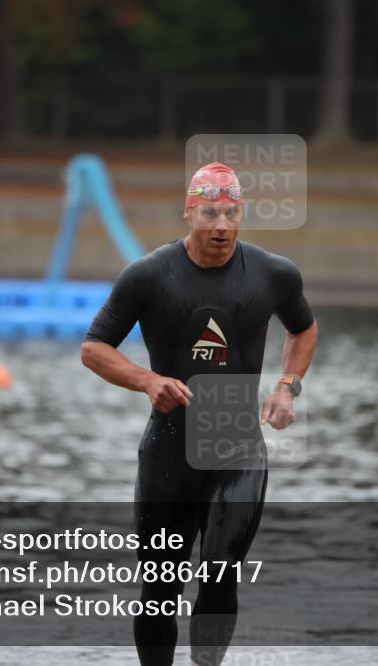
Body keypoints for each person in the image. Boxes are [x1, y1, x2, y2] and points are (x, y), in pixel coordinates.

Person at [81, 161, 318, 665]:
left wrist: (287, 387)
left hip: (236, 447)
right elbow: (94, 348)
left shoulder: (273, 273)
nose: (222, 226)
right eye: (210, 213)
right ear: (189, 213)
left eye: (232, 213)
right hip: (168, 450)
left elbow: (304, 328)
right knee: (159, 589)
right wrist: (147, 380)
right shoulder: (148, 275)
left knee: (218, 572)